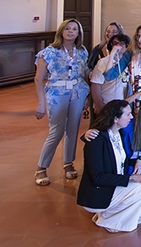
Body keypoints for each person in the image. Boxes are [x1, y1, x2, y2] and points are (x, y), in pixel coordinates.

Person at [77, 100, 141, 233]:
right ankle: (108, 221)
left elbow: (120, 161)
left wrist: (137, 161)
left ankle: (107, 215)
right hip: (99, 191)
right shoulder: (96, 139)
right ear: (115, 118)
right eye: (128, 114)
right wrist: (133, 178)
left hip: (115, 188)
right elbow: (98, 177)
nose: (131, 117)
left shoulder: (119, 134)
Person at [34, 19, 90, 186]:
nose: (71, 31)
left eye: (75, 29)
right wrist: (41, 104)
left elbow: (85, 73)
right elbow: (38, 79)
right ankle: (41, 168)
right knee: (56, 131)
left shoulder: (82, 51)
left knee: (73, 129)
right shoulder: (49, 52)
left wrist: (87, 97)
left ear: (79, 33)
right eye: (68, 28)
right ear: (61, 31)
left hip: (78, 91)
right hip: (57, 92)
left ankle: (68, 163)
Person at [90, 33, 131, 116]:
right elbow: (95, 84)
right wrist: (99, 105)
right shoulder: (103, 62)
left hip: (124, 105)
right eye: (115, 43)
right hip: (106, 104)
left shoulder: (130, 62)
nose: (118, 46)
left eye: (122, 43)